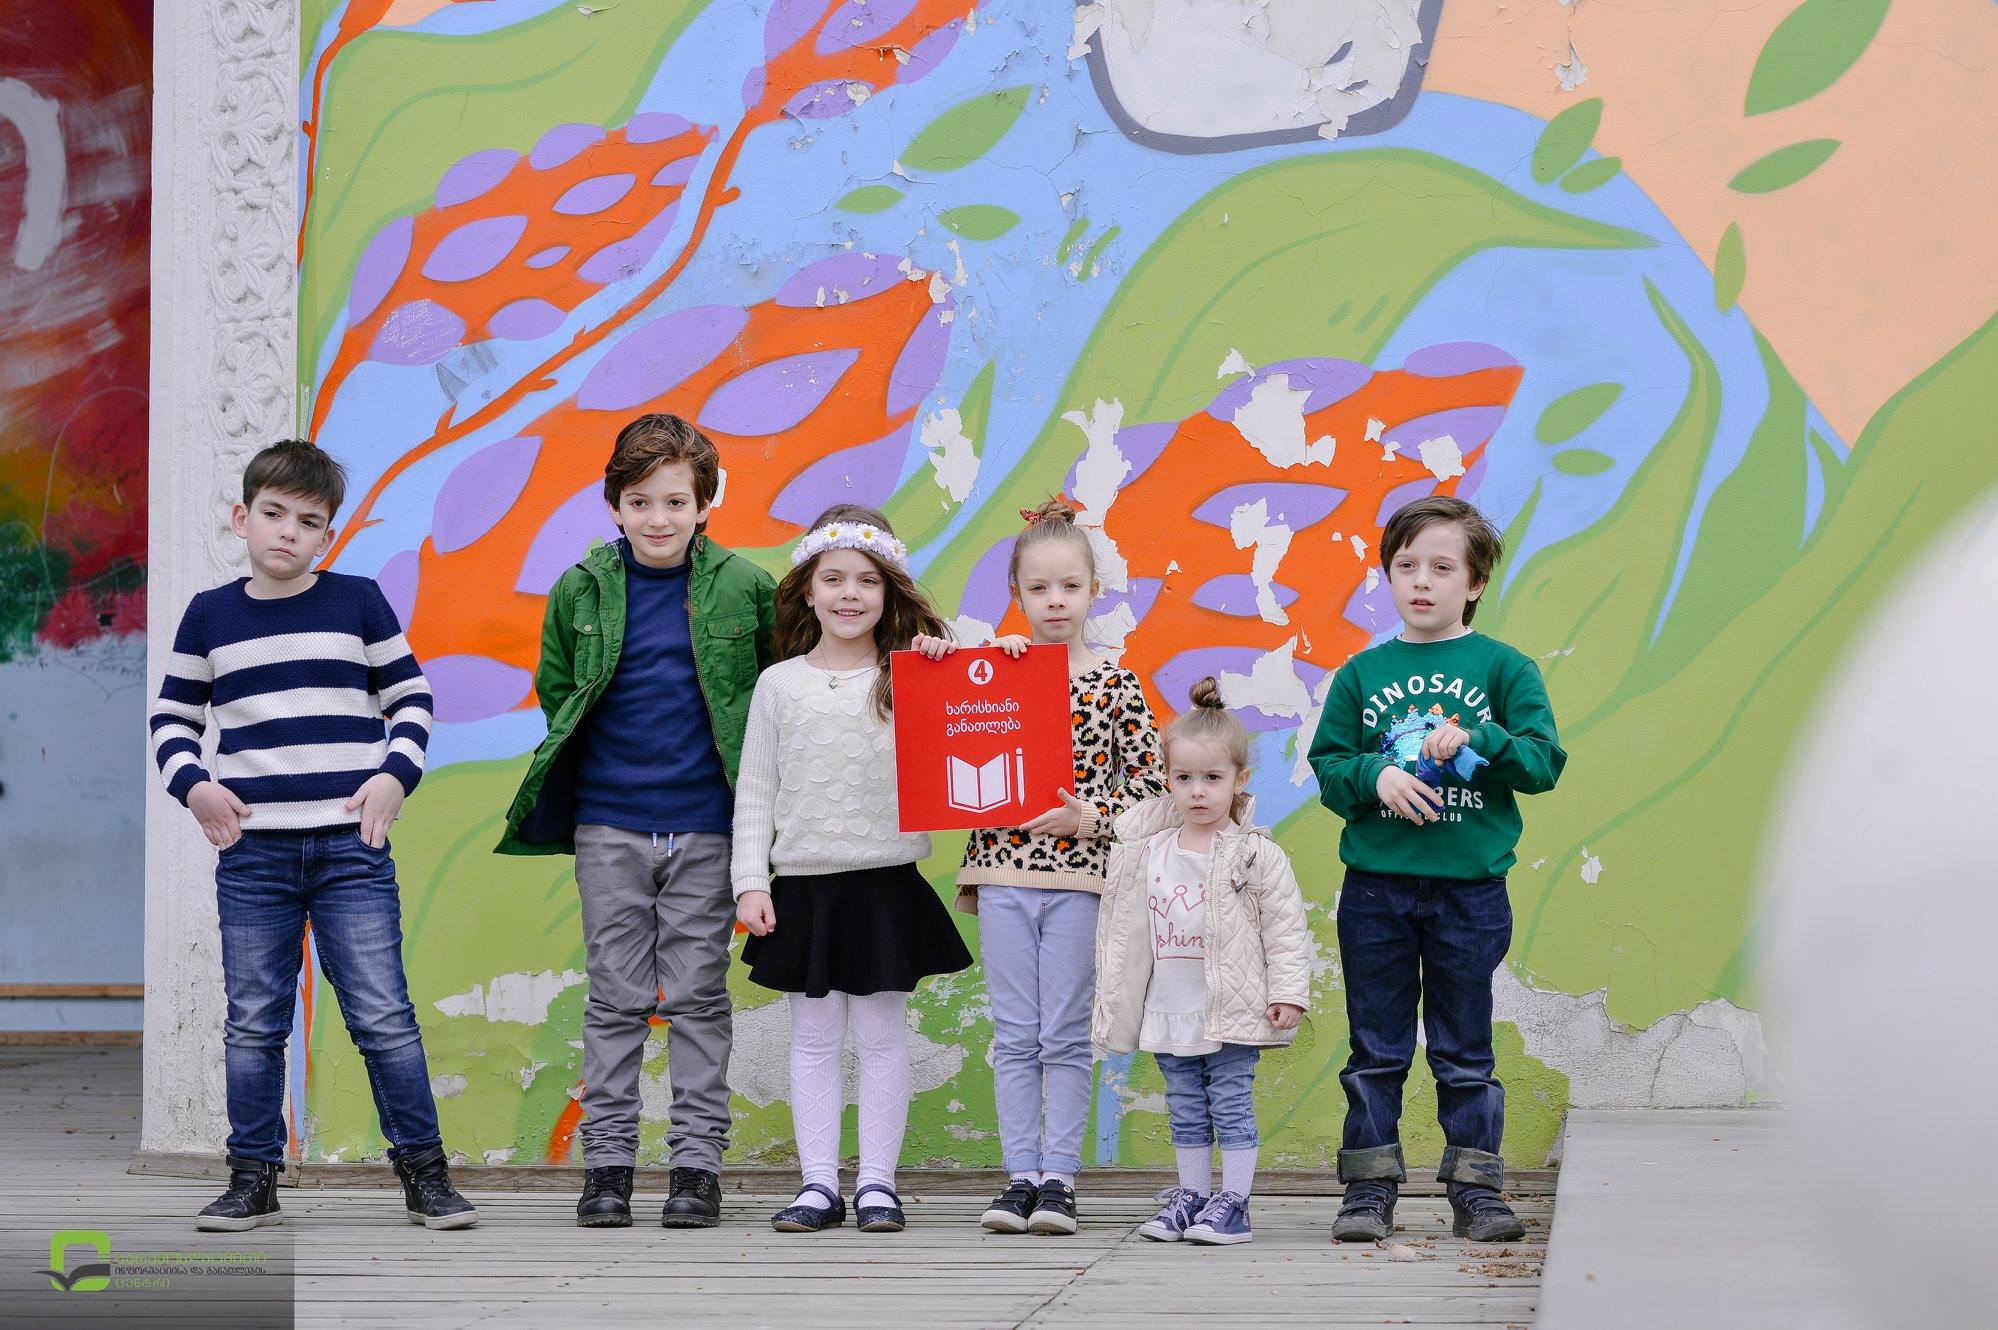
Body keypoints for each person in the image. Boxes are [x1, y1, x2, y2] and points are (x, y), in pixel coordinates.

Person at [151, 439, 477, 1232]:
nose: (287, 532)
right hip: (253, 855)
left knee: (381, 1014)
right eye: (273, 514)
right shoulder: (210, 615)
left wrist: (394, 776)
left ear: (328, 536)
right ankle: (252, 1178)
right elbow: (172, 718)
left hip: (348, 851)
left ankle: (426, 1177)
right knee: (254, 1023)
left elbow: (412, 699)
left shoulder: (358, 601)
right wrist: (195, 788)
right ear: (243, 517)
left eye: (308, 522)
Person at [495, 413, 775, 1229]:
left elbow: (770, 696)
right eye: (641, 501)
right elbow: (560, 690)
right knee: (615, 996)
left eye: (676, 501)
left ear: (705, 504)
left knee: (698, 997)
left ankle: (695, 1170)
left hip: (709, 828)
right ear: (614, 504)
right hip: (610, 826)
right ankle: (609, 1168)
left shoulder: (746, 587)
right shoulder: (580, 589)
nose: (659, 518)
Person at [1306, 495, 1567, 1244]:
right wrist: (1375, 775)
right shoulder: (1362, 674)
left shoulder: (1506, 670)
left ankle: (1477, 1191)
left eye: (1443, 567)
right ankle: (1369, 1190)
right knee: (1376, 1049)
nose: (1422, 580)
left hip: (1471, 891)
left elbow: (1543, 764)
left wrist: (1481, 736)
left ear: (1475, 582)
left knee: (1464, 1050)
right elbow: (1329, 769)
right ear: (1389, 575)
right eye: (1406, 565)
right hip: (1376, 889)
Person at [911, 494, 1165, 1236]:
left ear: (1094, 591)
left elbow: (1154, 791)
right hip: (1001, 875)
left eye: (1070, 586)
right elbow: (935, 712)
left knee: (1064, 1032)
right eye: (1039, 587)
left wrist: (1091, 817)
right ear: (1016, 594)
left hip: (1081, 882)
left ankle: (1060, 1179)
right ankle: (1019, 1175)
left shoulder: (1115, 684)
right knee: (1016, 1031)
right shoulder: (992, 670)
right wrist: (937, 659)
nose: (1056, 600)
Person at [731, 504, 973, 1234]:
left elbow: (978, 721)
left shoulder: (911, 679)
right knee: (812, 1038)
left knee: (881, 1037)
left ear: (889, 592)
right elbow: (756, 790)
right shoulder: (779, 686)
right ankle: (817, 1184)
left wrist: (942, 666)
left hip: (884, 884)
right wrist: (751, 880)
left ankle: (876, 1184)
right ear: (807, 590)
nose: (849, 594)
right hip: (804, 887)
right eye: (832, 578)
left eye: (867, 580)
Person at [1093, 678, 1312, 1246]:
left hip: (1231, 1007)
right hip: (1170, 1005)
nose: (1197, 791)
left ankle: (1234, 1203)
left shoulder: (1255, 853)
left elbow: (1285, 929)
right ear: (1167, 779)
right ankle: (1191, 1195)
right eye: (1184, 778)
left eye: (1213, 778)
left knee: (1230, 1103)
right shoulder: (1147, 851)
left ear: (1240, 780)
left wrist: (1287, 992)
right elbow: (1122, 933)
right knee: (1186, 1105)